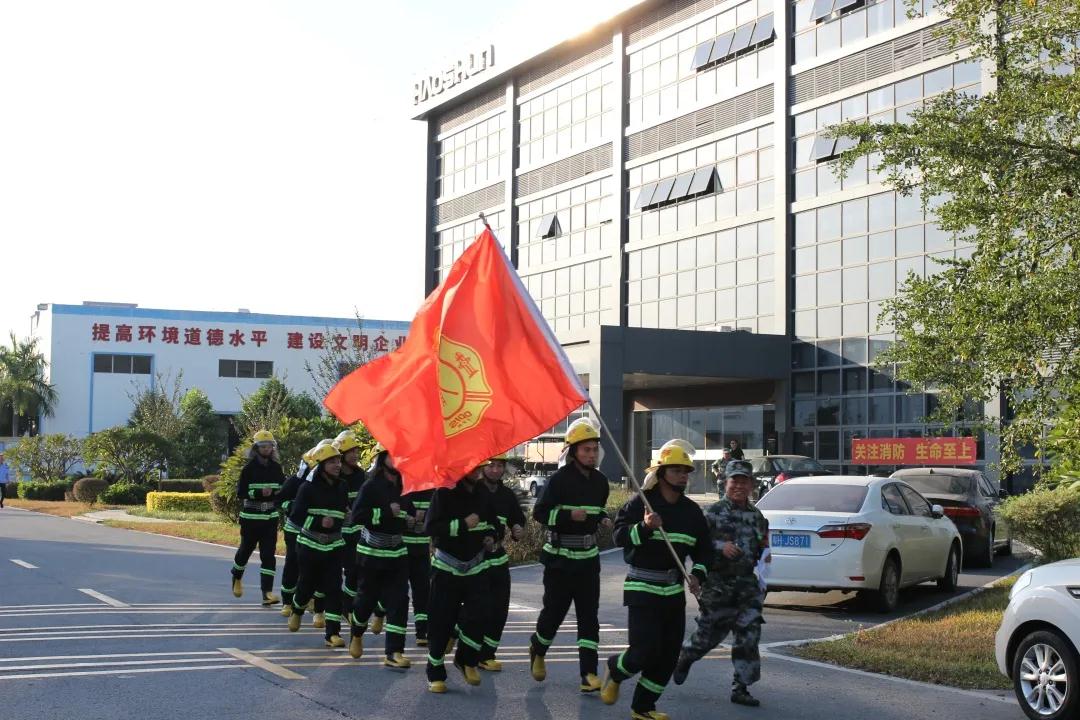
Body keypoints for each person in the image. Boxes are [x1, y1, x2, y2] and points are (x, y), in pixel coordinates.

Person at [601, 440, 712, 720]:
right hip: (642, 588)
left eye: (687, 471)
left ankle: (643, 708)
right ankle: (616, 669)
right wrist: (645, 527)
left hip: (672, 591)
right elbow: (619, 537)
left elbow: (705, 551)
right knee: (644, 651)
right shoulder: (642, 504)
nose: (684, 476)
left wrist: (698, 574)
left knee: (668, 656)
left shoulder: (692, 512)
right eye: (677, 470)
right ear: (661, 473)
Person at [672, 459, 769, 707]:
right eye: (734, 480)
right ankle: (685, 657)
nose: (739, 485)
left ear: (751, 485)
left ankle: (741, 687)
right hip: (718, 587)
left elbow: (763, 550)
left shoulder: (758, 517)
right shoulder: (712, 513)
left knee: (749, 637)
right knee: (708, 637)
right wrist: (719, 547)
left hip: (747, 589)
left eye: (743, 481)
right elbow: (695, 545)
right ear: (726, 483)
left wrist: (765, 565)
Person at [529, 418, 611, 693]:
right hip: (559, 560)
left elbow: (596, 511)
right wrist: (567, 515)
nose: (591, 454)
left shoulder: (601, 482)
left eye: (594, 449)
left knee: (589, 617)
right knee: (554, 613)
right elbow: (539, 513)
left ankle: (588, 673)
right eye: (586, 449)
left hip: (588, 560)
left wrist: (603, 519)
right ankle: (538, 649)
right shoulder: (558, 481)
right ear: (573, 451)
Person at [423, 465, 501, 694]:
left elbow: (495, 524)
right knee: (440, 620)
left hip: (476, 566)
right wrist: (463, 524)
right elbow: (431, 527)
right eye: (472, 464)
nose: (478, 469)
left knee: (482, 613)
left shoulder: (482, 492)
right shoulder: (444, 492)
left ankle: (465, 659)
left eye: (480, 464)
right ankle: (435, 670)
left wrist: (492, 537)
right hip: (446, 566)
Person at [347, 445, 415, 669]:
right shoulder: (371, 485)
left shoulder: (406, 486)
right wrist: (386, 512)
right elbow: (357, 516)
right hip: (371, 553)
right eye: (393, 454)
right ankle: (357, 633)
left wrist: (412, 520)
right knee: (366, 600)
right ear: (382, 458)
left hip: (398, 553)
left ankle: (394, 652)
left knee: (399, 601)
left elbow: (407, 514)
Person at [287, 441, 349, 648]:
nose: (337, 465)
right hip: (309, 544)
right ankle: (297, 609)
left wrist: (346, 518)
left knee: (334, 588)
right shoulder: (307, 488)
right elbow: (296, 516)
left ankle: (332, 634)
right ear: (321, 465)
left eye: (338, 460)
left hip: (334, 546)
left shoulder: (342, 487)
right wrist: (318, 522)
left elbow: (341, 514)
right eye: (332, 461)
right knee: (306, 584)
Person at [477, 453, 527, 672]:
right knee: (477, 608)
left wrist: (518, 528)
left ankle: (487, 654)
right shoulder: (471, 491)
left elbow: (518, 518)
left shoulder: (507, 495)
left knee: (499, 609)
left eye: (499, 466)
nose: (495, 470)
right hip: (473, 559)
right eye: (491, 466)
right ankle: (454, 632)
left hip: (498, 558)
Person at [230, 430, 286, 605]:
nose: (267, 449)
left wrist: (278, 493)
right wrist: (259, 492)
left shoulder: (276, 468)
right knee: (245, 550)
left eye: (269, 446)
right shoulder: (248, 469)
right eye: (263, 446)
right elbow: (241, 493)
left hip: (270, 518)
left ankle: (267, 593)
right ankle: (237, 576)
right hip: (251, 518)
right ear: (256, 448)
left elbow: (283, 490)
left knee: (269, 556)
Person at [277, 443, 320, 617]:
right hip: (295, 530)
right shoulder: (296, 481)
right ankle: (287, 601)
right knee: (293, 565)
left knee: (314, 568)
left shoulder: (331, 484)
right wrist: (293, 507)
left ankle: (310, 600)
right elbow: (279, 501)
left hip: (316, 533)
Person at [334, 431, 368, 610]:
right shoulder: (334, 476)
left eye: (356, 451)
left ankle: (347, 607)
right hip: (334, 533)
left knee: (354, 571)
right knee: (331, 574)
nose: (355, 455)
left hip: (356, 532)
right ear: (342, 455)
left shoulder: (361, 475)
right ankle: (319, 606)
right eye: (351, 452)